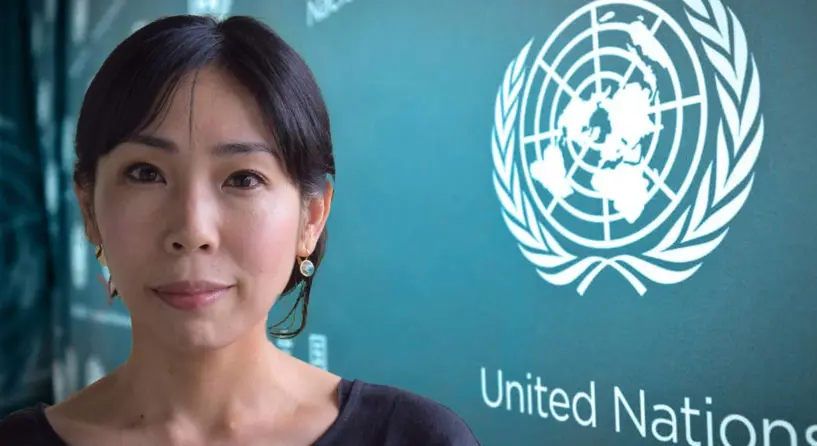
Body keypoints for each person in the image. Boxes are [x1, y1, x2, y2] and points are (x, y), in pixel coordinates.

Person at [0, 14, 479, 446]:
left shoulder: (414, 438)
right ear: (89, 209)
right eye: (146, 173)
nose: (193, 229)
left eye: (243, 179)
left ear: (312, 217)